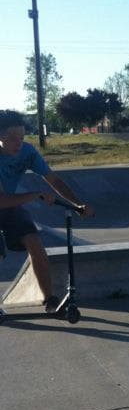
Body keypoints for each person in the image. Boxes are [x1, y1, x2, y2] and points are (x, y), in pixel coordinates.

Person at [0, 109, 94, 316]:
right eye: (13, 139)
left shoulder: (27, 152)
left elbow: (53, 180)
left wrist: (78, 204)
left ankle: (49, 299)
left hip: (10, 205)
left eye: (22, 138)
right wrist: (34, 195)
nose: (19, 143)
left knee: (35, 243)